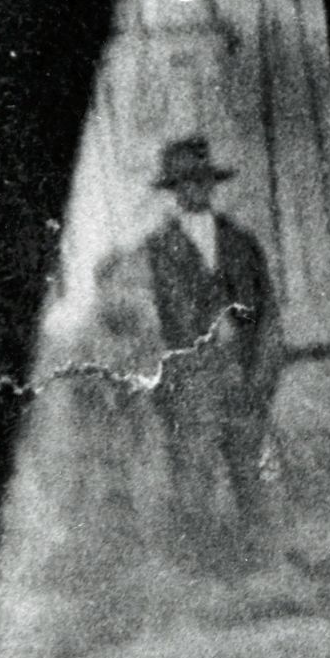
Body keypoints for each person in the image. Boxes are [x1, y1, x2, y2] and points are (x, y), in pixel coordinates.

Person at [128, 136, 284, 570]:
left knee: (252, 480)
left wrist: (263, 378)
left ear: (211, 184)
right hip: (192, 386)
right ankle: (206, 586)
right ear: (173, 190)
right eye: (183, 183)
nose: (193, 189)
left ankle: (265, 578)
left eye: (200, 180)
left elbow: (269, 315)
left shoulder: (241, 241)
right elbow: (151, 327)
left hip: (244, 381)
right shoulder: (158, 251)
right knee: (195, 487)